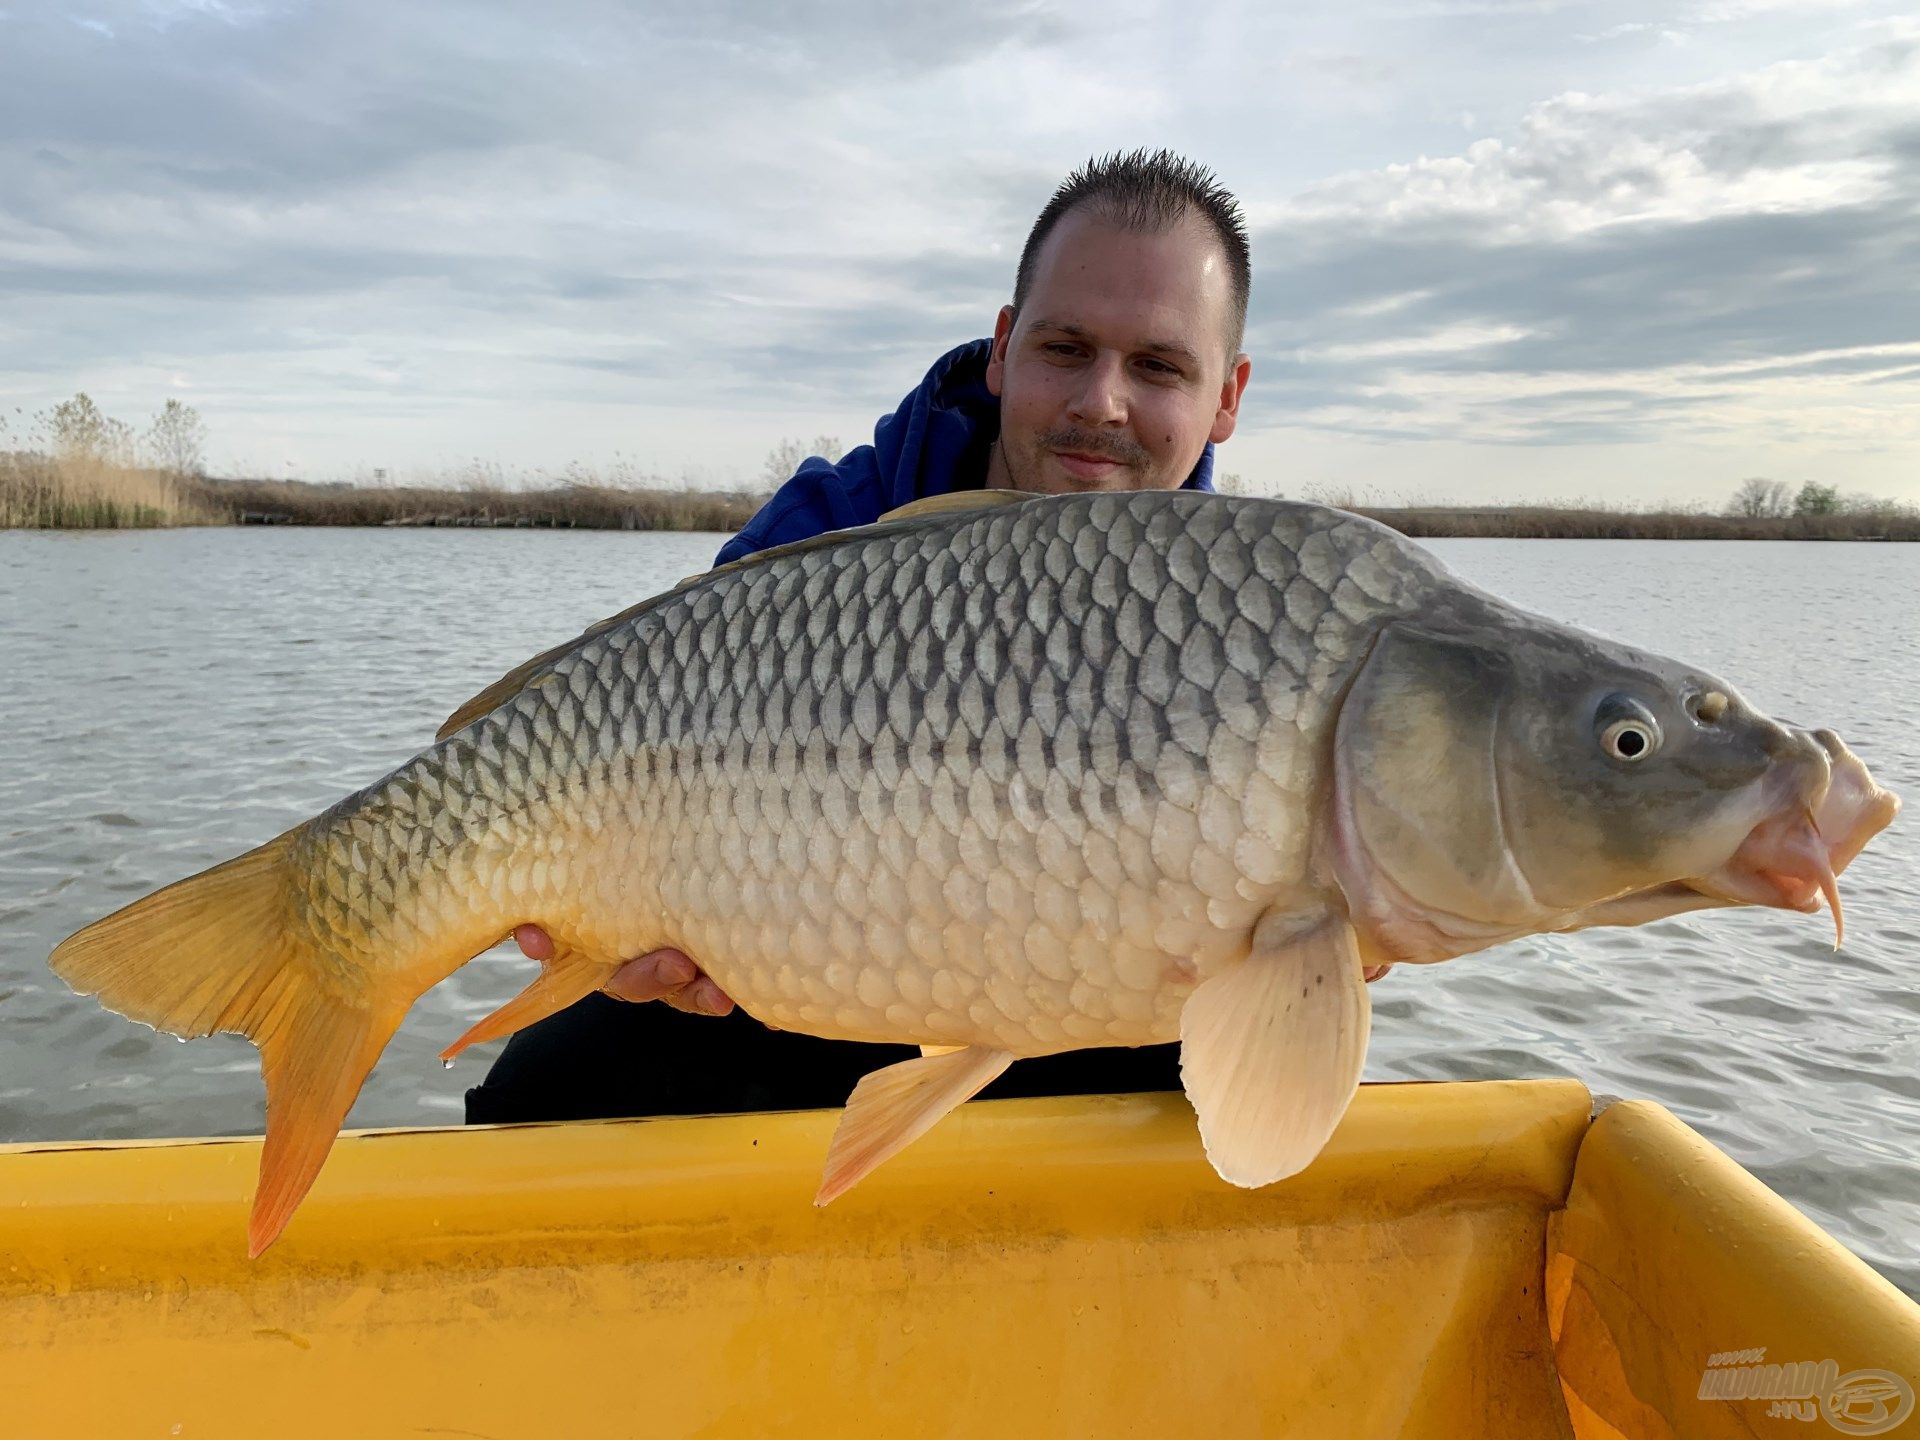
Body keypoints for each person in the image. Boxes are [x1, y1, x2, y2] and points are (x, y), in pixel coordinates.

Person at [465, 149, 1257, 1124]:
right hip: (820, 977)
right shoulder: (829, 529)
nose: (1102, 400)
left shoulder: (1264, 619)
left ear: (1228, 394)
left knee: (1252, 1105)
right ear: (1004, 347)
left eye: (1159, 366)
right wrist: (632, 933)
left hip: (1122, 991)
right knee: (557, 1084)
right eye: (1066, 349)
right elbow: (647, 739)